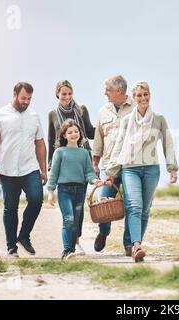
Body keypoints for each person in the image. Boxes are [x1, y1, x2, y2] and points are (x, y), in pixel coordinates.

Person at [106, 81, 178, 262]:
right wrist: (112, 170)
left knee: (145, 209)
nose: (143, 98)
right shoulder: (126, 121)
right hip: (130, 168)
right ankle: (137, 245)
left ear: (150, 95)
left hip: (151, 169)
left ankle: (130, 244)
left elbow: (168, 144)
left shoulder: (159, 119)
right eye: (139, 95)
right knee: (134, 206)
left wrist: (172, 167)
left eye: (145, 94)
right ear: (134, 98)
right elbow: (119, 145)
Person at [0, 82, 47, 258]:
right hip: (7, 171)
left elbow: (40, 144)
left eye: (29, 99)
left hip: (30, 168)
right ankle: (11, 247)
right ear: (14, 94)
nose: (26, 102)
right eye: (23, 98)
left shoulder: (34, 116)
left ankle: (24, 235)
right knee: (10, 208)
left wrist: (43, 170)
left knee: (36, 200)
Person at [48, 80, 95, 255]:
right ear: (57, 95)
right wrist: (50, 167)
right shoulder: (52, 114)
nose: (67, 97)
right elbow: (52, 140)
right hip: (63, 162)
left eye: (70, 94)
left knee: (79, 212)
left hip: (82, 161)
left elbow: (90, 132)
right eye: (63, 94)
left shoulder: (81, 110)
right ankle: (70, 247)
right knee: (68, 217)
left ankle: (76, 241)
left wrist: (107, 128)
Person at [47, 119, 103, 260]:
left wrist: (95, 180)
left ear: (80, 134)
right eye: (70, 132)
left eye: (76, 131)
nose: (74, 134)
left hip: (79, 191)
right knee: (68, 219)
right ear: (64, 135)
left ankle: (70, 250)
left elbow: (89, 173)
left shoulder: (84, 153)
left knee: (76, 221)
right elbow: (53, 174)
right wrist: (50, 192)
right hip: (64, 190)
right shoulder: (59, 152)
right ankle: (67, 250)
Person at [92, 75, 135, 254]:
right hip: (109, 164)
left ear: (119, 91)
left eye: (108, 89)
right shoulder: (103, 111)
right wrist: (95, 162)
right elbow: (98, 138)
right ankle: (104, 232)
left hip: (131, 165)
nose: (105, 93)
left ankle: (128, 244)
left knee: (132, 204)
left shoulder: (136, 108)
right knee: (103, 200)